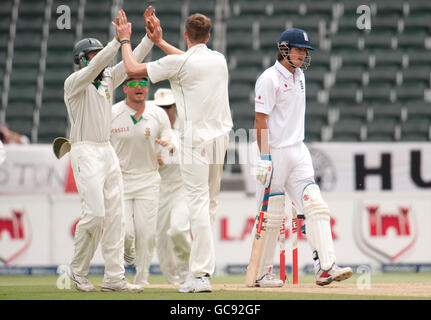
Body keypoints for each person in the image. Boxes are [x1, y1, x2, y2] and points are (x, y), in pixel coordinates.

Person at [112, 8, 233, 293]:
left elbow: (131, 70)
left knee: (199, 205)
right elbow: (189, 60)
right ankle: (203, 270)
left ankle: (201, 274)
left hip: (195, 140)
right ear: (209, 36)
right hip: (221, 138)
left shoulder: (180, 64)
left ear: (186, 36)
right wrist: (159, 42)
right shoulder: (219, 59)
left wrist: (126, 40)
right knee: (210, 205)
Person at [253, 28, 353, 287]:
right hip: (274, 152)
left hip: (298, 150)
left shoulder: (300, 77)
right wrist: (264, 156)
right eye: (298, 49)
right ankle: (262, 273)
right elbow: (260, 120)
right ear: (284, 49)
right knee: (272, 216)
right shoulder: (269, 78)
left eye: (304, 51)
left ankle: (326, 267)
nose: (302, 54)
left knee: (316, 206)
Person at [63, 9, 155, 292]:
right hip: (84, 151)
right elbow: (94, 68)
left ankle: (114, 277)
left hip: (106, 152)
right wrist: (117, 42)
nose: (101, 58)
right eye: (94, 55)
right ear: (82, 60)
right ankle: (78, 271)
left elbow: (131, 64)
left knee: (115, 217)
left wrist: (149, 39)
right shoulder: (74, 82)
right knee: (95, 215)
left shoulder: (106, 80)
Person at [110, 78, 176, 286]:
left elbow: (169, 138)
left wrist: (169, 144)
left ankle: (142, 277)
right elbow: (102, 143)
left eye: (143, 83)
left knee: (146, 233)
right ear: (125, 88)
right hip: (121, 180)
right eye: (134, 83)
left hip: (148, 179)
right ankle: (127, 252)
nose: (139, 87)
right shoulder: (112, 114)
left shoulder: (157, 114)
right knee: (126, 230)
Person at [154, 88, 191, 285]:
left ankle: (189, 271)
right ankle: (171, 282)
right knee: (162, 241)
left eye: (168, 107)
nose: (165, 111)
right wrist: (154, 159)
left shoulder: (186, 127)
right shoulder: (151, 129)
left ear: (174, 106)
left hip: (182, 186)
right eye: (161, 107)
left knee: (177, 229)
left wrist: (171, 155)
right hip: (160, 188)